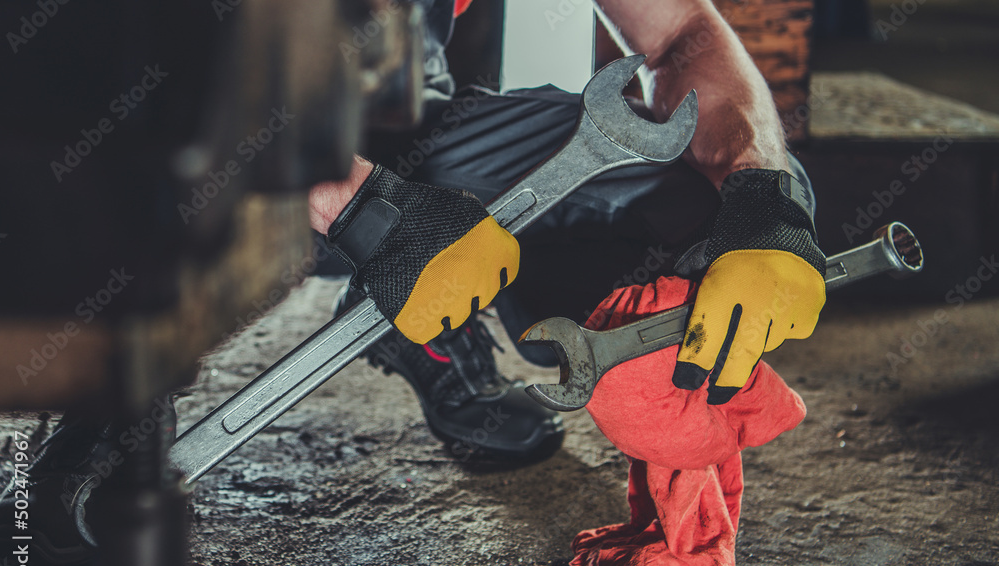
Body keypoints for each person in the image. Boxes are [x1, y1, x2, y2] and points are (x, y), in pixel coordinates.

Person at [309, 0, 826, 459]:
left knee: (740, 187)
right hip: (261, 159)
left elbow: (682, 33)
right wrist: (369, 214)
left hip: (418, 126)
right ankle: (409, 280)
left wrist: (762, 202)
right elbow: (225, 80)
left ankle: (467, 299)